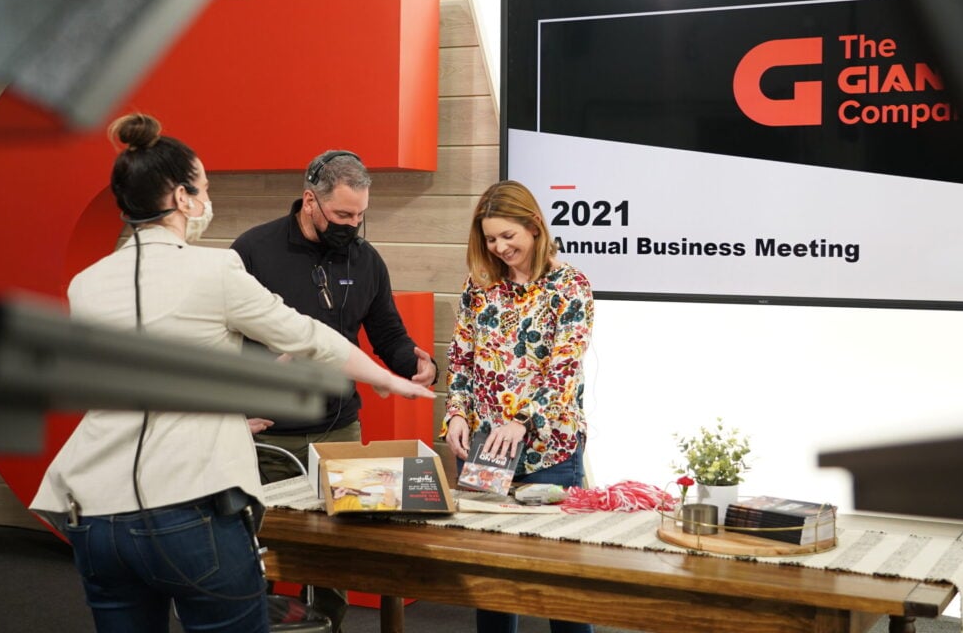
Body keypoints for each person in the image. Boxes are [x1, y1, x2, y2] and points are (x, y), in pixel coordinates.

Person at [30, 114, 433, 633]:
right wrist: (389, 381)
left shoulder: (86, 283)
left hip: (95, 515)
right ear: (180, 197)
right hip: (188, 509)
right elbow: (308, 335)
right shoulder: (219, 266)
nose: (207, 200)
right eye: (205, 188)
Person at [231, 149, 436, 632]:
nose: (353, 224)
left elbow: (386, 333)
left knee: (335, 558)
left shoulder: (366, 260)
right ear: (309, 200)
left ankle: (332, 627)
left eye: (361, 214)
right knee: (252, 553)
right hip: (266, 432)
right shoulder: (252, 251)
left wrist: (418, 366)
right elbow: (223, 340)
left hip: (340, 429)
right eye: (343, 214)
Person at [443, 180, 595, 633]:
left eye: (508, 236)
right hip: (487, 450)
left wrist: (523, 420)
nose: (500, 247)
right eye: (491, 239)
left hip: (551, 453)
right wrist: (455, 413)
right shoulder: (480, 285)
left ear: (534, 226)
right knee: (491, 581)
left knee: (561, 584)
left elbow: (565, 368)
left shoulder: (570, 286)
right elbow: (462, 358)